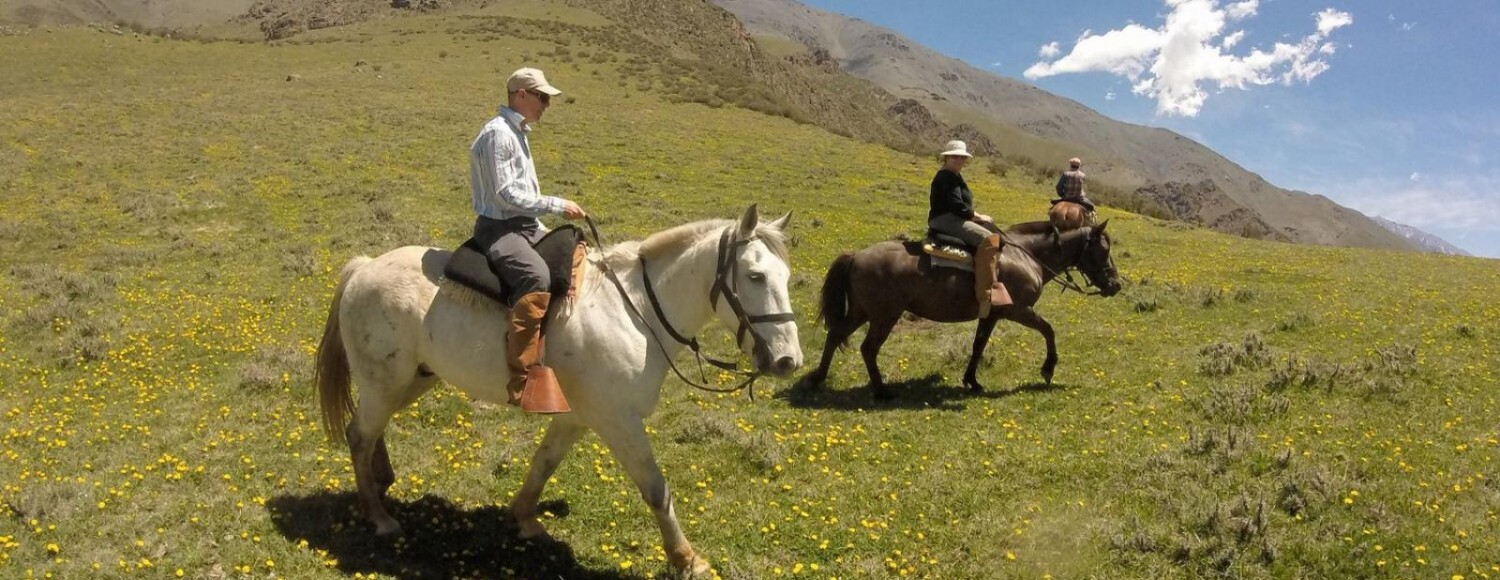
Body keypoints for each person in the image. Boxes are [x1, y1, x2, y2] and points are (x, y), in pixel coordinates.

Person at [468, 67, 586, 409]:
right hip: (501, 228)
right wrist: (557, 204)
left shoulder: (517, 132)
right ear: (521, 94)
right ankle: (522, 380)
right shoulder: (498, 135)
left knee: (574, 249)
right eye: (543, 97)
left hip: (525, 224)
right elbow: (506, 195)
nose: (547, 104)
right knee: (535, 276)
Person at [927, 140, 1010, 318]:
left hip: (953, 217)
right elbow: (957, 205)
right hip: (945, 219)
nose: (959, 160)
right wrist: (977, 216)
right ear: (947, 158)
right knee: (989, 239)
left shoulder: (954, 175)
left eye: (962, 157)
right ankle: (985, 297)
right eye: (955, 157)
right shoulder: (946, 176)